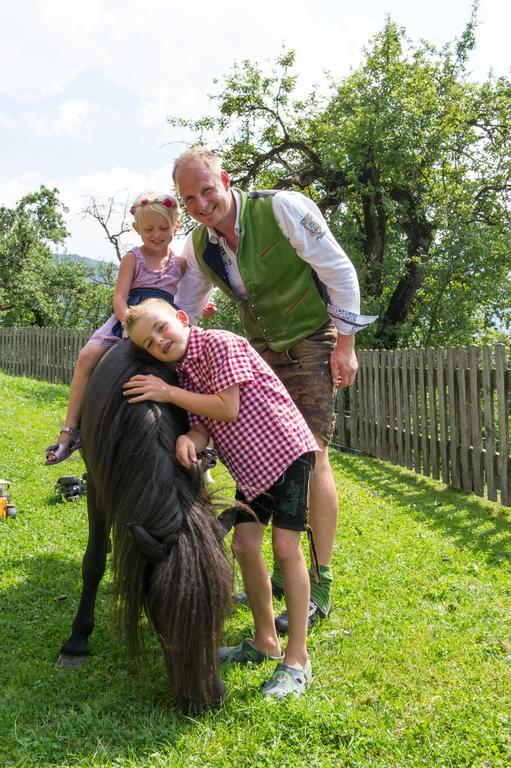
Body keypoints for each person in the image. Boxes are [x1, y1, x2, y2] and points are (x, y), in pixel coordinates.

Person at [172, 147, 376, 632]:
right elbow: (183, 306)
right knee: (269, 453)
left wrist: (345, 345)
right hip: (259, 354)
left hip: (311, 341)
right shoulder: (198, 247)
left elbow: (339, 271)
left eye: (207, 190)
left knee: (313, 454)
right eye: (189, 199)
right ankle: (284, 577)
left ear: (225, 179)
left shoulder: (282, 206)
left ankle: (320, 581)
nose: (201, 204)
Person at [122, 298, 319, 699]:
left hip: (286, 454)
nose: (158, 342)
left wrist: (166, 393)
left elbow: (227, 408)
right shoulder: (185, 376)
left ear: (181, 318)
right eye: (147, 344)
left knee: (285, 547)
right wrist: (186, 439)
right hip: (253, 467)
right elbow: (204, 427)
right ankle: (266, 641)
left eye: (160, 329)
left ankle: (297, 658)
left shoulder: (219, 344)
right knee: (245, 545)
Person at [45, 191, 214, 465]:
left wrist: (203, 306)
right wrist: (127, 322)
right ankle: (70, 430)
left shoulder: (180, 264)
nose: (157, 235)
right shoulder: (133, 258)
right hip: (129, 318)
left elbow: (185, 296)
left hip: (162, 323)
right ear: (137, 229)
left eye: (164, 228)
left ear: (176, 226)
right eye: (149, 229)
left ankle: (201, 434)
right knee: (87, 356)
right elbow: (119, 298)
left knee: (192, 367)